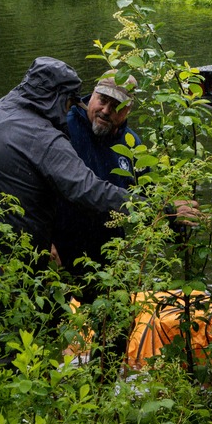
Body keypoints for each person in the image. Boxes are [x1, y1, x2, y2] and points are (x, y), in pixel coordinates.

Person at [0, 57, 130, 255]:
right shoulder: (45, 138)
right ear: (57, 98)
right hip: (20, 255)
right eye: (69, 104)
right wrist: (157, 208)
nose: (68, 111)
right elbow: (88, 189)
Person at [52, 70, 140, 277]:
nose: (106, 111)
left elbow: (146, 197)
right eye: (102, 100)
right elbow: (33, 188)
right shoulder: (62, 127)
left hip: (109, 254)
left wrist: (173, 216)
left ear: (128, 110)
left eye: (116, 106)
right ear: (92, 94)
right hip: (59, 251)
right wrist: (43, 240)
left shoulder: (132, 145)